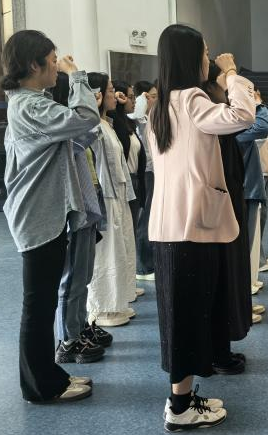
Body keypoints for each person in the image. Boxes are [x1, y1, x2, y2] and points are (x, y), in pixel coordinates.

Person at [148, 24, 255, 431]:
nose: (209, 59)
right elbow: (242, 115)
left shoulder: (160, 106)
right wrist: (232, 75)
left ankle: (183, 397)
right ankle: (179, 408)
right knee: (189, 319)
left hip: (169, 228)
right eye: (206, 53)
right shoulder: (191, 99)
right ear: (190, 57)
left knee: (179, 318)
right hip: (192, 226)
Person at [2, 30, 99, 403]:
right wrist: (78, 77)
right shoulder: (30, 106)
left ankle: (48, 378)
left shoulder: (31, 103)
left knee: (42, 304)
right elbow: (85, 118)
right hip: (37, 217)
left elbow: (74, 135)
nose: (58, 66)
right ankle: (41, 386)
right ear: (33, 64)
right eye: (54, 60)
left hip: (43, 214)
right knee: (38, 305)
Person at [49, 72, 110, 365]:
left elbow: (89, 129)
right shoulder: (61, 130)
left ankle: (78, 326)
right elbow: (86, 124)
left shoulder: (70, 129)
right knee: (72, 279)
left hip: (86, 209)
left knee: (82, 278)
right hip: (74, 214)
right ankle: (67, 341)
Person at [201, 61, 253, 375]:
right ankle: (217, 351)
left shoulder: (210, 112)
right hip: (218, 206)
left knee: (227, 277)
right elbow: (248, 116)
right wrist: (232, 74)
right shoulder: (205, 110)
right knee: (220, 280)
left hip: (226, 201)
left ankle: (221, 347)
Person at [86, 72, 138, 326]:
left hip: (118, 193)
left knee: (121, 247)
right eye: (109, 91)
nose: (114, 96)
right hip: (105, 195)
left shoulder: (107, 123)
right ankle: (102, 307)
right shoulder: (92, 125)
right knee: (106, 251)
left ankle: (117, 301)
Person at [110, 80, 147, 300]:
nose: (133, 101)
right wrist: (117, 104)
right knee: (124, 235)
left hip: (135, 181)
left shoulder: (129, 123)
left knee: (130, 234)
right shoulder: (115, 122)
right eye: (130, 97)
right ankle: (123, 287)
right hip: (124, 182)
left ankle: (129, 284)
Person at [235, 87, 268, 300]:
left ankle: (248, 281)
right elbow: (263, 127)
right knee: (245, 240)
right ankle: (243, 288)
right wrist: (257, 103)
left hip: (250, 185)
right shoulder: (233, 124)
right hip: (245, 187)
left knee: (252, 236)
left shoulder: (240, 123)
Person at [130, 80, 157, 281]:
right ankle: (143, 267)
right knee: (144, 219)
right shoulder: (138, 118)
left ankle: (148, 262)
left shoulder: (150, 118)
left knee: (150, 217)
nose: (156, 100)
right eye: (152, 96)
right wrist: (141, 100)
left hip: (154, 171)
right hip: (146, 172)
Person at [256, 88, 268, 273]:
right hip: (258, 172)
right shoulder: (252, 113)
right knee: (257, 217)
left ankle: (259, 256)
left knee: (262, 216)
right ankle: (257, 260)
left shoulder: (260, 113)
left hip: (266, 171)